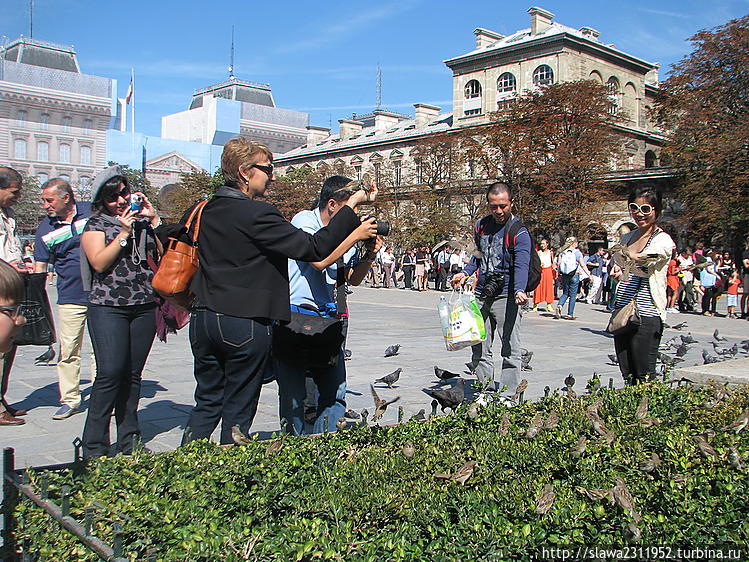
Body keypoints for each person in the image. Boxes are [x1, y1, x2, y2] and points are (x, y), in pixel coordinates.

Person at [181, 138, 374, 446]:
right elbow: (315, 248)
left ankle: (183, 473)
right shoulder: (257, 214)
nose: (272, 176)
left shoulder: (203, 209)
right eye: (267, 169)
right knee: (237, 409)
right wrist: (351, 208)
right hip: (242, 320)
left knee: (207, 402)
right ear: (245, 172)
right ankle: (228, 476)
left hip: (203, 318)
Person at [275, 175, 380, 435]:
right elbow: (318, 259)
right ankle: (294, 449)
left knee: (335, 392)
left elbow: (352, 278)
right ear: (332, 205)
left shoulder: (344, 233)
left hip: (328, 317)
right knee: (294, 395)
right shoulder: (304, 220)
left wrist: (370, 253)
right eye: (352, 208)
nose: (354, 215)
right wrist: (354, 235)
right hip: (295, 314)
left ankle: (326, 444)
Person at [79, 165, 162, 458]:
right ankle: (93, 445)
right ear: (103, 200)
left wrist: (154, 220)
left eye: (125, 193)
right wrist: (124, 233)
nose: (122, 200)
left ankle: (129, 438)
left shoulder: (142, 223)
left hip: (143, 304)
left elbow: (163, 254)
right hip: (108, 306)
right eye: (115, 196)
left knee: (133, 375)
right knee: (110, 373)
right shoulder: (95, 225)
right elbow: (99, 263)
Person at [451, 182, 530, 404]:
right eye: (493, 206)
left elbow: (522, 264)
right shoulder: (481, 226)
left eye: (503, 206)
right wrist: (465, 273)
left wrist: (520, 290)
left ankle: (507, 394)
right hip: (482, 293)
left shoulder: (518, 231)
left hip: (507, 295)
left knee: (510, 347)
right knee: (479, 345)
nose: (498, 211)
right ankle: (485, 390)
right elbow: (478, 255)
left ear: (511, 203)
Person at [34, 178, 94, 420]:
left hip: (101, 292)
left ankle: (103, 395)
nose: (45, 205)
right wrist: (36, 299)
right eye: (43, 201)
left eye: (49, 200)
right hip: (70, 295)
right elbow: (40, 265)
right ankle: (70, 399)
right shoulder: (45, 229)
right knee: (69, 349)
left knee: (101, 349)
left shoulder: (91, 211)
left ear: (66, 197)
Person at [610, 185, 675, 384]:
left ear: (656, 210)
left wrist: (627, 257)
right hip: (623, 311)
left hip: (647, 313)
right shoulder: (629, 236)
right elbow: (620, 258)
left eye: (646, 209)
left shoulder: (662, 239)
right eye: (634, 208)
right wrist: (619, 269)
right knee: (627, 374)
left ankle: (649, 413)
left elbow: (651, 257)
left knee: (644, 375)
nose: (640, 214)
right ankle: (631, 412)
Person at [0, 167, 27, 426]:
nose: (17, 197)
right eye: (14, 192)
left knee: (8, 348)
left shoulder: (9, 215)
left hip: (11, 287)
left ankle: (2, 398)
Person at [554, 237, 590, 320]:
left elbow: (559, 265)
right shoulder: (577, 253)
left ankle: (560, 305)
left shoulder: (562, 253)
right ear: (574, 243)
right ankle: (570, 314)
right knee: (573, 295)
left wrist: (558, 274)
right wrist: (589, 274)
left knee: (565, 293)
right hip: (574, 275)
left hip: (565, 275)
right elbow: (582, 265)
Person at [532, 239, 555, 312]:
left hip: (548, 271)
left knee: (549, 288)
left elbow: (552, 262)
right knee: (538, 287)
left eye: (543, 243)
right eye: (541, 244)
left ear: (547, 244)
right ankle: (536, 303)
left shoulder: (550, 252)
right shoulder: (539, 253)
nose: (542, 245)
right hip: (541, 271)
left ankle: (549, 304)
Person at [700, 251, 719, 316]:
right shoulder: (708, 260)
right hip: (708, 279)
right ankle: (706, 310)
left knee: (709, 295)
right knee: (708, 295)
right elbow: (709, 269)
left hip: (711, 279)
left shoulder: (713, 261)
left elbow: (715, 268)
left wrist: (719, 262)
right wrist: (716, 275)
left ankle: (706, 309)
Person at [665, 249, 681, 313]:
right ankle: (671, 307)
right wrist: (679, 270)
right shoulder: (673, 262)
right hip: (673, 278)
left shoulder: (669, 261)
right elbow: (673, 272)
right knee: (675, 293)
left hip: (668, 278)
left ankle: (668, 307)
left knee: (669, 294)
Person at [742, 239, 749, 319]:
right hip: (747, 274)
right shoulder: (746, 253)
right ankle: (743, 312)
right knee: (745, 294)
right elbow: (746, 265)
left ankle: (748, 312)